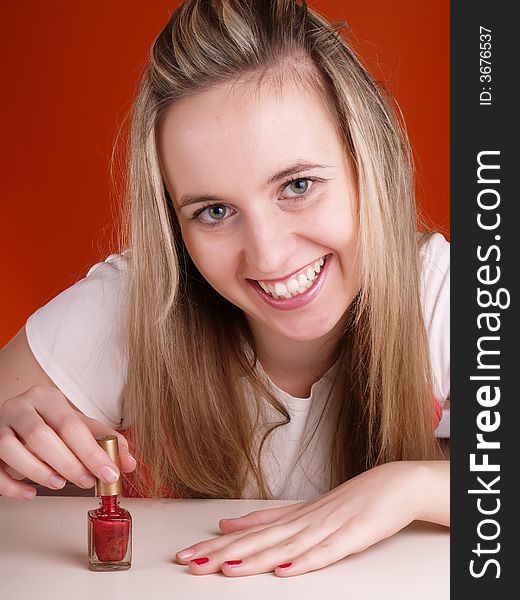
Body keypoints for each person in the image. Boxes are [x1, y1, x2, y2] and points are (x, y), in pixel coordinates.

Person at [0, 0, 449, 578]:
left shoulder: (443, 296)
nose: (268, 253)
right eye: (213, 210)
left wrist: (411, 487)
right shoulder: (131, 304)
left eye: (298, 185)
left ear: (371, 164)